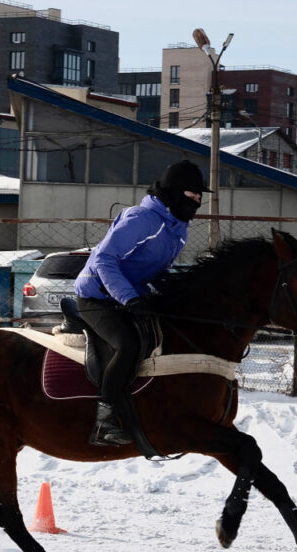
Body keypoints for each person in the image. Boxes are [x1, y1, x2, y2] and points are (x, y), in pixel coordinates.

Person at [73, 159, 210, 446]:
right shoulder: (142, 219)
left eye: (200, 196)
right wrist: (130, 298)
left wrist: (177, 290)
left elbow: (155, 271)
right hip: (96, 296)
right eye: (193, 194)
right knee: (128, 344)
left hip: (126, 297)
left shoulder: (177, 229)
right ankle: (105, 421)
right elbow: (104, 260)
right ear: (174, 192)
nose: (198, 200)